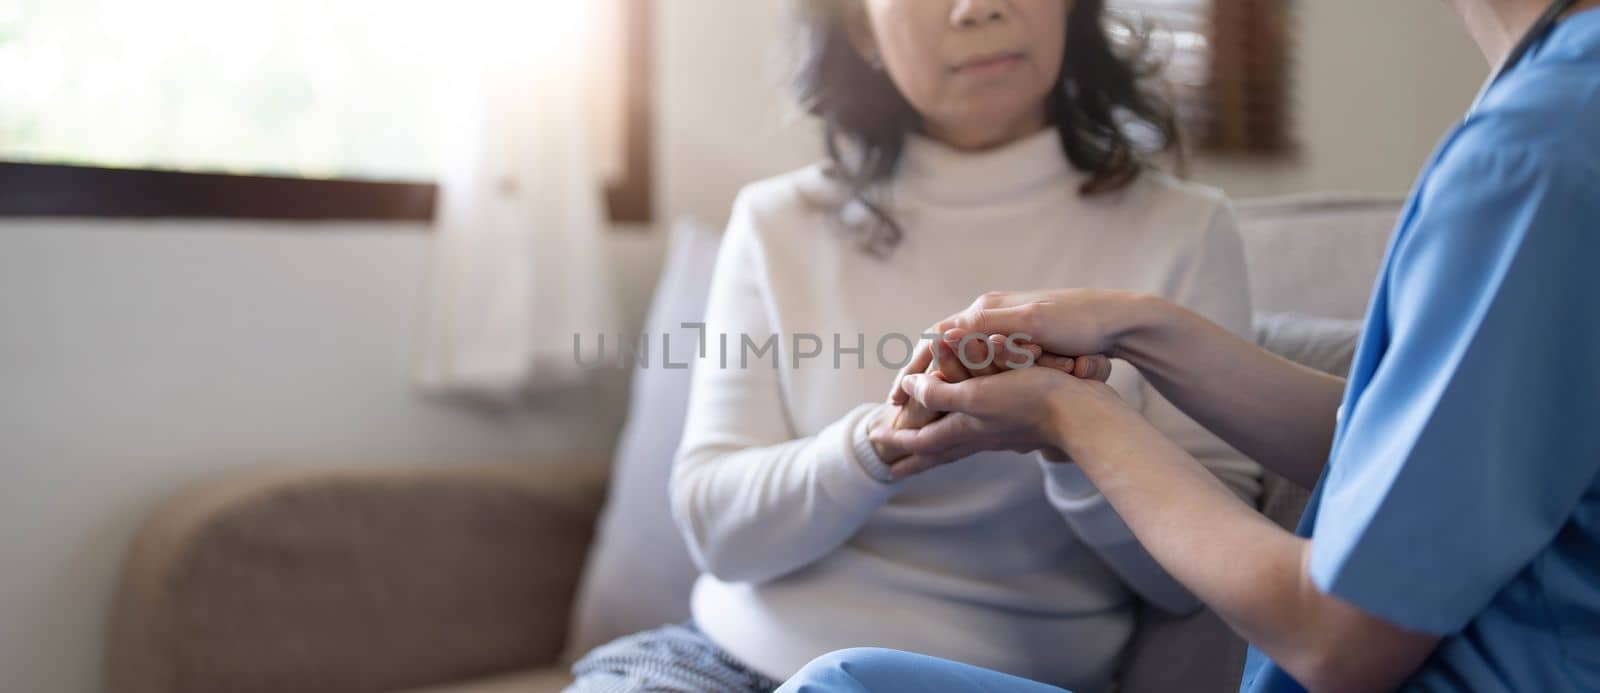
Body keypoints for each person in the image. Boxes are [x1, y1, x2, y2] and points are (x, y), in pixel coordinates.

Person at [779, 0, 1600, 690]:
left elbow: (1337, 634)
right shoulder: (1554, 107)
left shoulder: (1535, 151)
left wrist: (1075, 417)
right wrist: (1140, 325)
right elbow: (1411, 454)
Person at [565, 0, 1262, 691]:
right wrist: (876, 444)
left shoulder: (1185, 232)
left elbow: (1202, 579)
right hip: (720, 664)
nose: (978, 9)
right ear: (862, 25)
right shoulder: (777, 222)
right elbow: (717, 529)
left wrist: (1072, 434)